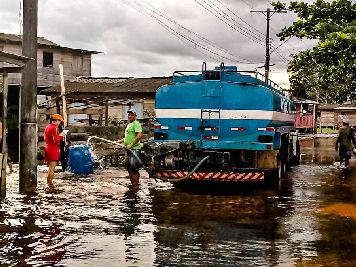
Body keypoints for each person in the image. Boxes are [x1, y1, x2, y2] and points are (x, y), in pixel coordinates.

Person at [119, 109, 143, 187]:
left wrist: (131, 145)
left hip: (134, 150)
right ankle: (132, 184)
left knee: (134, 168)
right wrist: (120, 141)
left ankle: (136, 185)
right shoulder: (129, 125)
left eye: (131, 115)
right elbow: (128, 137)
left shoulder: (136, 124)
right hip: (128, 150)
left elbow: (139, 135)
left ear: (135, 116)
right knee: (128, 168)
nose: (129, 116)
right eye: (129, 115)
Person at [44, 114, 66, 188]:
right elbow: (55, 140)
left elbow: (47, 138)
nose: (60, 123)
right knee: (52, 168)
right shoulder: (54, 128)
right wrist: (62, 135)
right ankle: (50, 185)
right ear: (56, 121)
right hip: (53, 148)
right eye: (60, 121)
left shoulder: (47, 127)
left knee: (50, 167)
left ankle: (48, 184)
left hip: (47, 147)